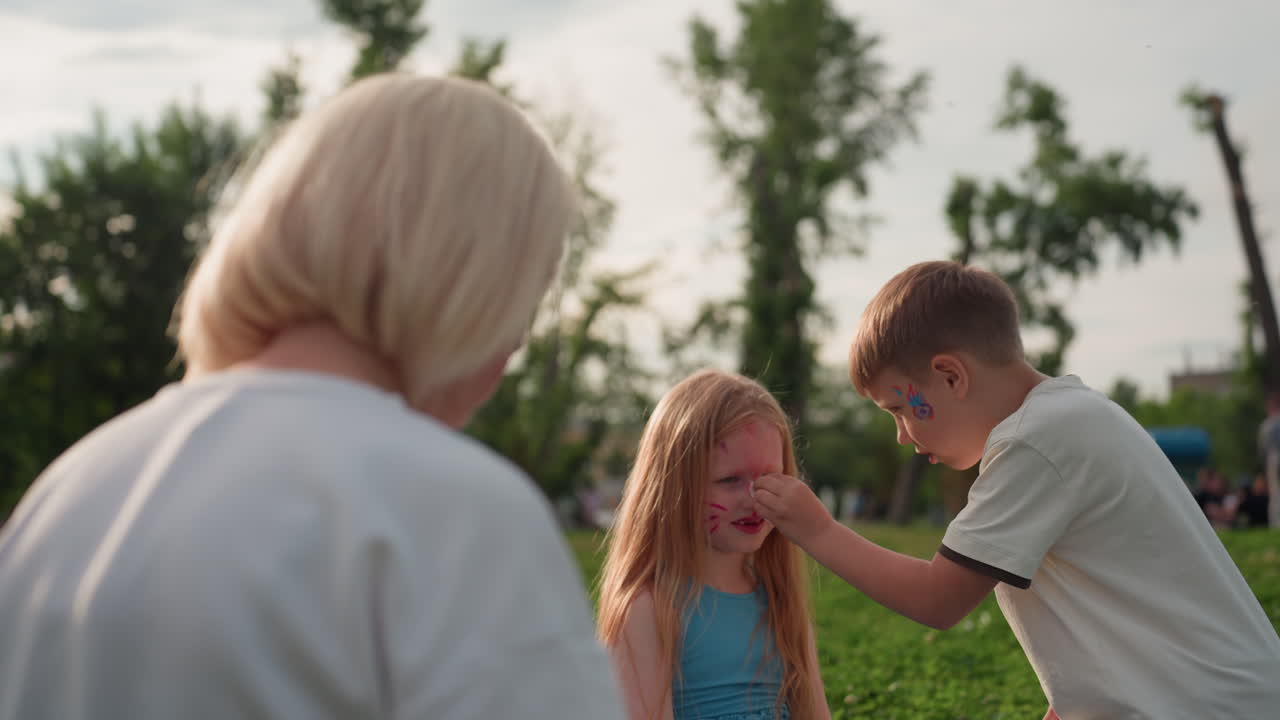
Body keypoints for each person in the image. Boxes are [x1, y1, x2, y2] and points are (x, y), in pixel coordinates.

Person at [0, 73, 624, 719]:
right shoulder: (458, 515)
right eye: (520, 308)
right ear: (471, 287)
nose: (505, 357)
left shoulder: (71, 491)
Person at [753, 261, 1280, 720]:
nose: (901, 434)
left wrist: (817, 529)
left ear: (950, 376)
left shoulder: (1036, 443)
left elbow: (939, 599)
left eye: (899, 409)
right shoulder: (1073, 417)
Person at [597, 369, 829, 720]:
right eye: (730, 480)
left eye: (769, 477)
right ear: (674, 486)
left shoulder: (781, 599)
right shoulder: (650, 608)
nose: (754, 498)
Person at [1257, 393, 1280, 527]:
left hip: (1273, 459)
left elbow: (1262, 449)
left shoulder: (1267, 425)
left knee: (1275, 493)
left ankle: (1276, 524)